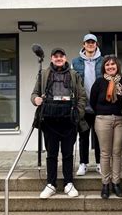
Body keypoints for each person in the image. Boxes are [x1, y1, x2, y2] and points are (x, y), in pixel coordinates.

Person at [31, 48, 87, 199]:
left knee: (68, 154)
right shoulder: (43, 74)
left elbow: (82, 96)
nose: (58, 58)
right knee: (51, 154)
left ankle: (69, 183)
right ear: (51, 58)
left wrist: (78, 113)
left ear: (65, 57)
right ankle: (51, 184)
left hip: (68, 120)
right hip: (49, 120)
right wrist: (35, 100)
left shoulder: (74, 74)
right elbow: (34, 93)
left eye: (61, 56)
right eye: (55, 56)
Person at [90, 55, 122, 199]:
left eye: (113, 64)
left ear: (117, 66)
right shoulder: (99, 82)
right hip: (103, 120)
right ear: (104, 68)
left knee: (117, 152)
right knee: (105, 153)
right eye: (107, 65)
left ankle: (116, 182)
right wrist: (103, 114)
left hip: (121, 120)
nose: (110, 67)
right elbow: (93, 101)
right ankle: (105, 183)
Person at [72, 33, 103, 176]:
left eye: (93, 42)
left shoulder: (103, 61)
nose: (90, 44)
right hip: (83, 106)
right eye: (87, 42)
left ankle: (99, 163)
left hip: (99, 106)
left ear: (96, 45)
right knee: (83, 136)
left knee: (99, 137)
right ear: (83, 45)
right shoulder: (75, 62)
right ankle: (83, 164)